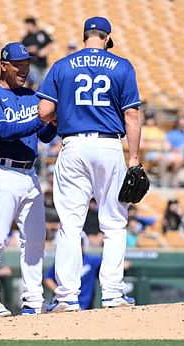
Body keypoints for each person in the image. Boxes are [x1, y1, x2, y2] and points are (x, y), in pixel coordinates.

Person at [37, 16, 139, 311]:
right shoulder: (122, 66)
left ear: (85, 37)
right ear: (107, 38)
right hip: (109, 144)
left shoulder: (62, 65)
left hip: (74, 145)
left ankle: (66, 297)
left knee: (70, 223)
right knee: (115, 223)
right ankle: (113, 295)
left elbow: (44, 111)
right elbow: (131, 115)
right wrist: (133, 158)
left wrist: (66, 115)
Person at [0, 42, 57, 316]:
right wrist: (40, 120)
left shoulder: (32, 95)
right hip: (2, 172)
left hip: (29, 174)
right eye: (18, 64)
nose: (24, 69)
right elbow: (3, 131)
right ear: (3, 65)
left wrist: (53, 120)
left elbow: (44, 136)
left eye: (27, 64)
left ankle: (33, 298)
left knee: (35, 239)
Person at [44, 232, 101, 310]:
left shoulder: (91, 260)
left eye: (80, 244)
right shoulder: (63, 262)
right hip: (64, 302)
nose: (79, 246)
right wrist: (59, 291)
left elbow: (108, 263)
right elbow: (48, 278)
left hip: (84, 305)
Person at [21, 17, 54, 88]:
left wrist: (44, 51)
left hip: (43, 65)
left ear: (30, 24)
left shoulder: (42, 34)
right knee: (32, 80)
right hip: (32, 64)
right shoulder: (26, 38)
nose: (25, 28)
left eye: (26, 25)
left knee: (43, 85)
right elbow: (21, 50)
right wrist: (30, 49)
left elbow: (50, 44)